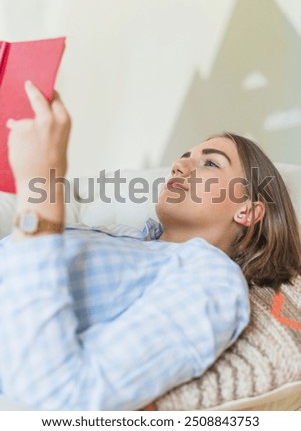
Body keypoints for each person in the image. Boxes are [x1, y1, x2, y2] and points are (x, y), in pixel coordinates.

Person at [0, 81, 299, 411]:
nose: (180, 165)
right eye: (184, 157)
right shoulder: (125, 234)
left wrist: (40, 189)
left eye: (210, 163)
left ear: (248, 210)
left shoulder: (212, 280)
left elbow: (65, 399)